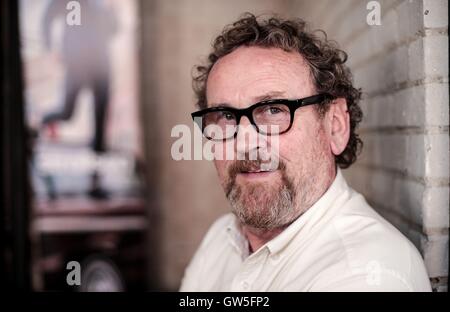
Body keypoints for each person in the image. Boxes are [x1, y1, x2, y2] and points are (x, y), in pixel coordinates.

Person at [180, 14, 431, 291]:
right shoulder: (220, 238)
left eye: (273, 110)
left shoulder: (367, 273)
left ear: (335, 125)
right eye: (224, 116)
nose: (244, 143)